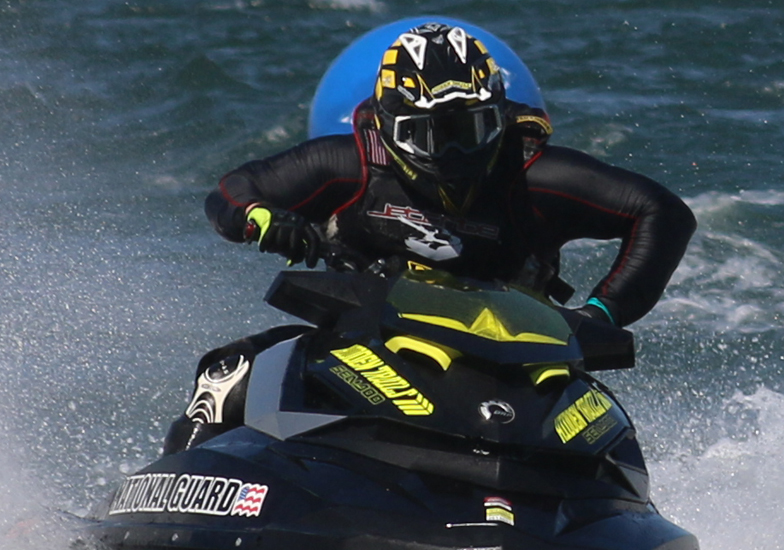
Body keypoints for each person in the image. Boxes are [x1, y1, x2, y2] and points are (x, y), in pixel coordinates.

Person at [165, 21, 695, 453]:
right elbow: (235, 190)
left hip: (520, 369)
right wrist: (262, 218)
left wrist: (602, 314)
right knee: (229, 372)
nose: (455, 153)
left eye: (473, 129)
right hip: (363, 352)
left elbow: (663, 213)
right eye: (429, 134)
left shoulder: (532, 173)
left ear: (500, 117)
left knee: (607, 429)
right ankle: (178, 500)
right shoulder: (348, 164)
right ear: (389, 126)